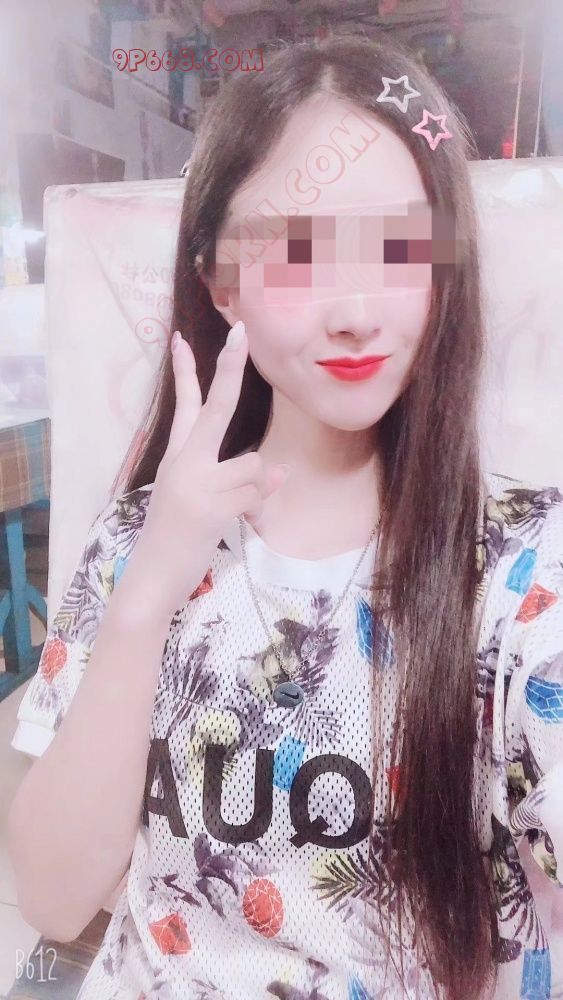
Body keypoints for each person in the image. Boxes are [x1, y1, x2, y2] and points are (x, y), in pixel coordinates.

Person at [7, 27, 563, 1000]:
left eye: (399, 247)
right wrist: (148, 592)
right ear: (221, 282)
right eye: (299, 252)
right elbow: (55, 898)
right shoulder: (138, 539)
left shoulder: (522, 567)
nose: (355, 311)